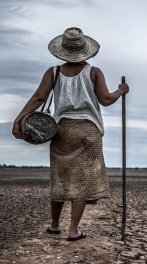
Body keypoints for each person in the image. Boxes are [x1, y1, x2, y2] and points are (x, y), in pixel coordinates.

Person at [12, 27, 129, 241]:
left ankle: (55, 225)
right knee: (83, 182)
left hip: (61, 130)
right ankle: (73, 230)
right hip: (89, 130)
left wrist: (19, 118)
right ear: (86, 51)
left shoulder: (53, 72)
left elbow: (39, 98)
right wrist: (120, 91)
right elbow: (105, 99)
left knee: (60, 177)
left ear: (63, 51)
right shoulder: (93, 72)